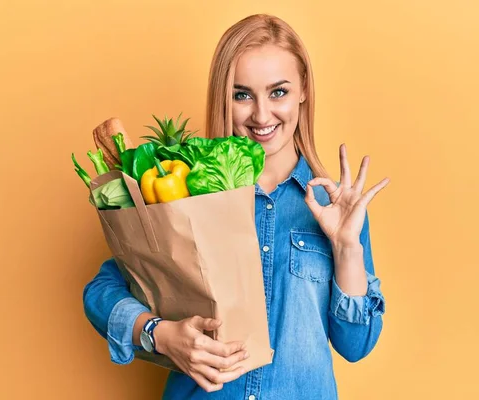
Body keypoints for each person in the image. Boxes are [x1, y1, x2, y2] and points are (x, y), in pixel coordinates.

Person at [83, 13, 390, 400]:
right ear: (223, 97)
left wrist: (347, 248)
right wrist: (159, 333)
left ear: (304, 90)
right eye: (242, 94)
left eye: (278, 91)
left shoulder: (337, 208)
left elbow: (356, 344)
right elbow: (102, 290)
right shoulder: (186, 193)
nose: (261, 115)